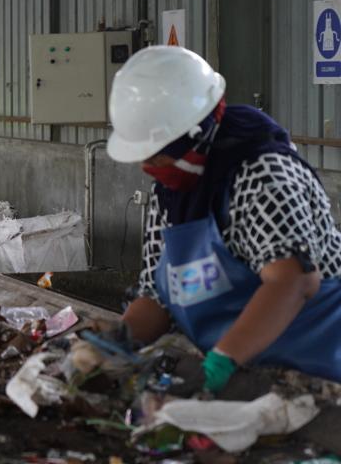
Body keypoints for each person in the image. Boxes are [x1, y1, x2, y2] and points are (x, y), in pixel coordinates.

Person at [106, 46, 341, 391]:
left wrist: (222, 359)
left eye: (157, 156)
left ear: (194, 135)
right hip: (242, 376)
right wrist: (116, 340)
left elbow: (293, 282)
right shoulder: (172, 193)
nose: (149, 168)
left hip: (320, 372)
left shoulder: (263, 173)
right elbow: (156, 297)